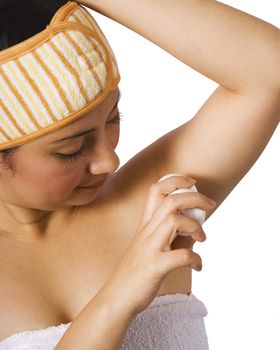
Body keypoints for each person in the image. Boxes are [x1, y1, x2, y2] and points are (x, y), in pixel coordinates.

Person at [0, 0, 279, 349]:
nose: (109, 160)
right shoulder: (148, 234)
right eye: (70, 150)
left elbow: (270, 71)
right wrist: (123, 291)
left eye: (113, 119)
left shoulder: (149, 212)